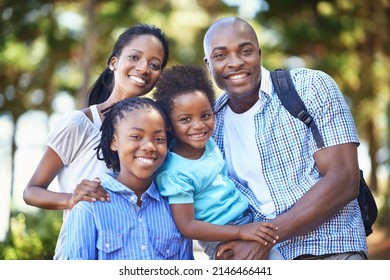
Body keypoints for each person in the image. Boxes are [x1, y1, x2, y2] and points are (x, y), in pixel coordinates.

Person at [203, 16, 368, 260]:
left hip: (331, 250)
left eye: (245, 51)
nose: (235, 63)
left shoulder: (309, 86)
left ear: (259, 53)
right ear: (208, 64)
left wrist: (265, 239)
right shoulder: (209, 128)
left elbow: (344, 179)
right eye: (221, 55)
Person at [23, 23, 170, 259]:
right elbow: (31, 191)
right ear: (113, 62)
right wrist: (72, 198)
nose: (143, 68)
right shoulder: (79, 124)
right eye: (134, 57)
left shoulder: (157, 137)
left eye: (154, 65)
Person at [153, 65, 283, 260]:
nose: (199, 125)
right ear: (169, 125)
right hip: (221, 240)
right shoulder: (174, 172)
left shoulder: (209, 143)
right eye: (185, 119)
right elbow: (188, 226)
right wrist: (240, 232)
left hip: (247, 220)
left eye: (205, 115)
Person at [63, 97, 194, 260]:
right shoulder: (90, 207)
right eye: (136, 136)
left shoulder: (175, 206)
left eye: (159, 139)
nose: (149, 146)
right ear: (114, 142)